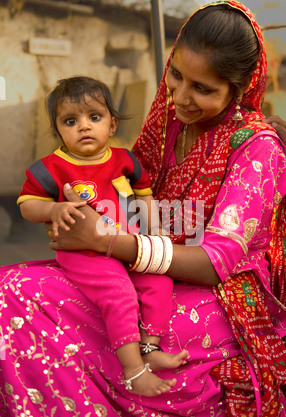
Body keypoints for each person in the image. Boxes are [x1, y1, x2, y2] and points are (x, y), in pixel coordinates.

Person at [1, 0, 286, 417]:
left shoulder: (257, 150)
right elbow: (134, 203)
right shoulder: (169, 127)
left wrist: (106, 241)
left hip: (221, 296)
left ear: (237, 89)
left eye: (202, 88)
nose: (179, 96)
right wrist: (72, 215)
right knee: (12, 289)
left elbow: (215, 261)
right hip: (142, 266)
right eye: (176, 75)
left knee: (33, 310)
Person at [17, 76, 188, 397]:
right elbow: (27, 204)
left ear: (111, 125)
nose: (83, 126)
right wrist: (53, 211)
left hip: (127, 246)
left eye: (94, 117)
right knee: (120, 293)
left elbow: (144, 193)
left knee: (159, 283)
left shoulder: (125, 160)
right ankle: (134, 370)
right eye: (71, 121)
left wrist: (154, 230)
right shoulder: (51, 168)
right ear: (58, 130)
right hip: (85, 253)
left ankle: (150, 350)